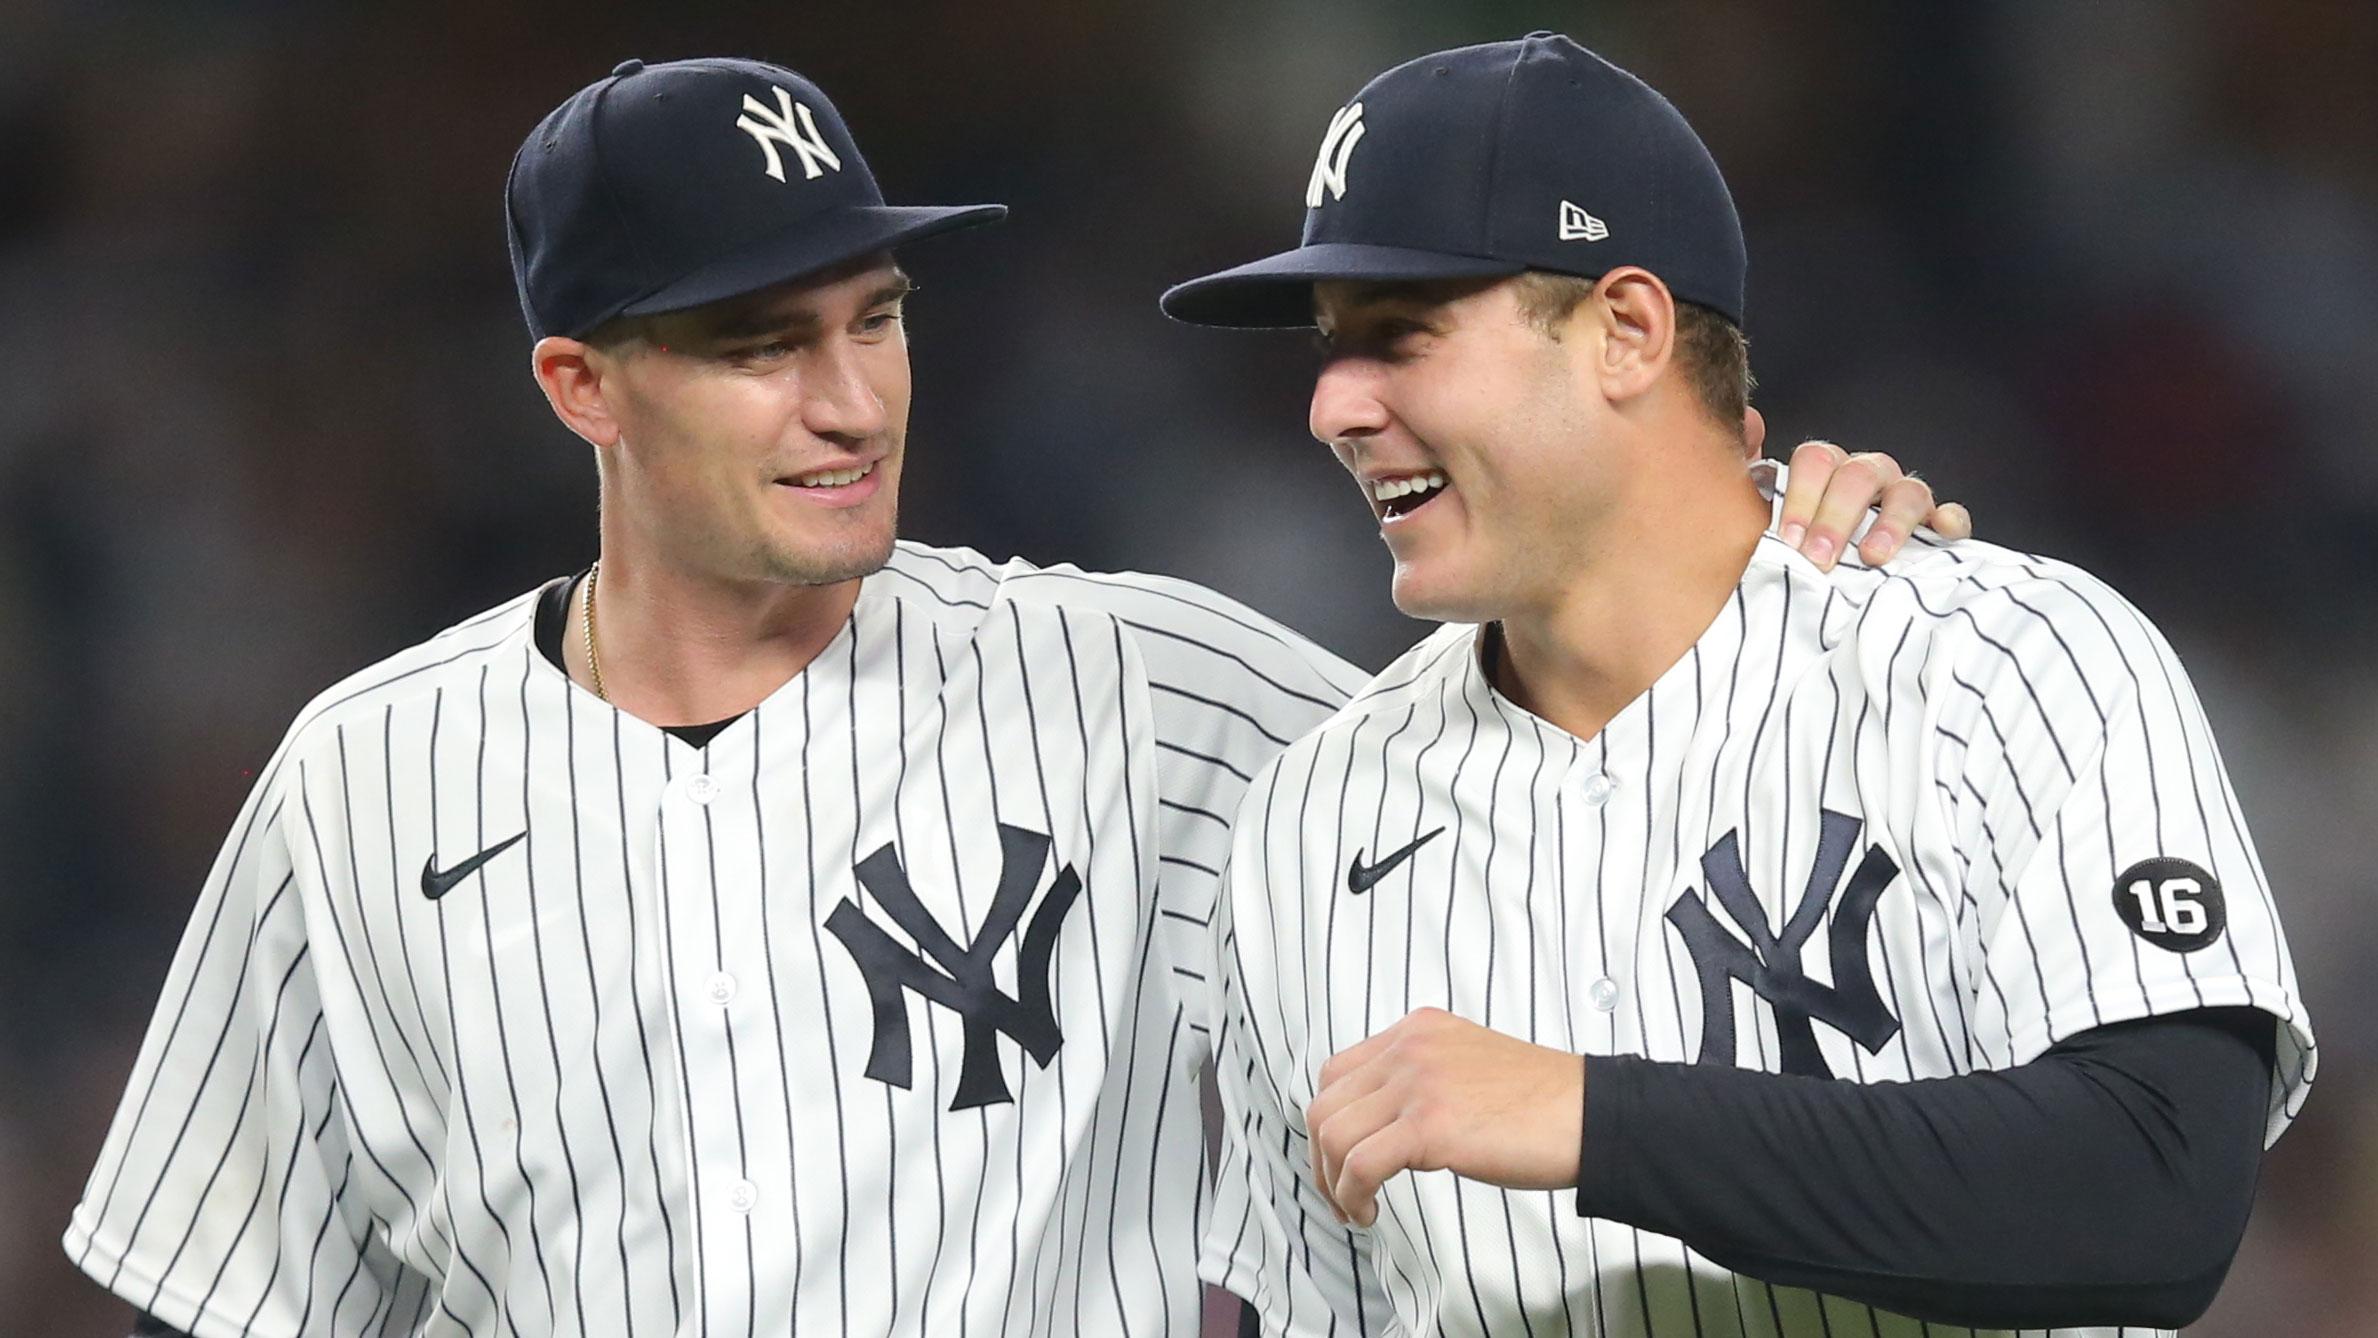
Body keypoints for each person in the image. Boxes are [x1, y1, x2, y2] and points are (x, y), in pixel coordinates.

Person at [66, 56, 1966, 1337]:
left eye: (873, 317)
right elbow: (226, 1284)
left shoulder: (1144, 690)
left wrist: (1760, 526)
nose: (851, 399)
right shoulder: (363, 784)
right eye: (758, 345)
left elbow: (1592, 760)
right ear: (580, 387)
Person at [1162, 32, 2315, 1338]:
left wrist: (1593, 1116)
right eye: (1327, 346)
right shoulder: (1308, 819)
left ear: (1626, 331)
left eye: (1402, 333)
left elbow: (2153, 1189)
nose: (1332, 405)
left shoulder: (1998, 660)